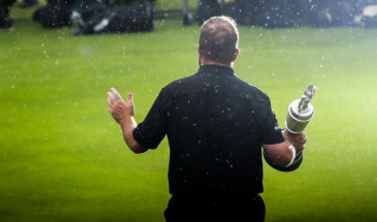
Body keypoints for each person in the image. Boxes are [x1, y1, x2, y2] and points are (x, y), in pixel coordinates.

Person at [107, 15, 307, 221]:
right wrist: (292, 141)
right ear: (235, 54)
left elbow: (136, 142)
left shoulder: (174, 93)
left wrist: (125, 118)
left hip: (188, 211)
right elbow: (282, 157)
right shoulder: (255, 98)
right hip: (242, 212)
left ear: (200, 49)